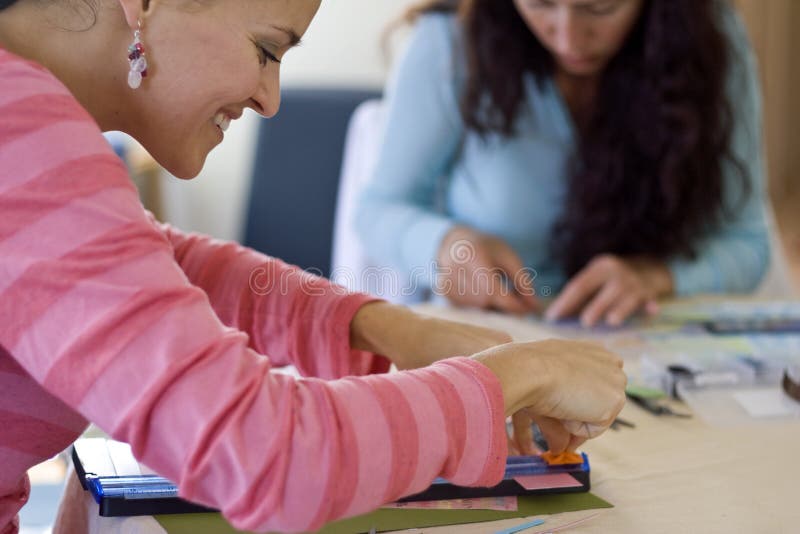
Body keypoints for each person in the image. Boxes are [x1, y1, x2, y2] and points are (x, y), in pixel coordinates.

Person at [0, 1, 627, 532]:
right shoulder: (18, 124)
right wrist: (521, 373)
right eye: (267, 50)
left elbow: (162, 259)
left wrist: (390, 329)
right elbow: (269, 455)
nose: (270, 100)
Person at [355, 0, 771, 327]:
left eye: (600, 7)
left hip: (650, 345)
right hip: (500, 339)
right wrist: (443, 246)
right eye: (539, 3)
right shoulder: (450, 43)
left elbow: (748, 243)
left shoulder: (711, 41)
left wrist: (658, 275)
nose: (569, 39)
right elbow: (377, 211)